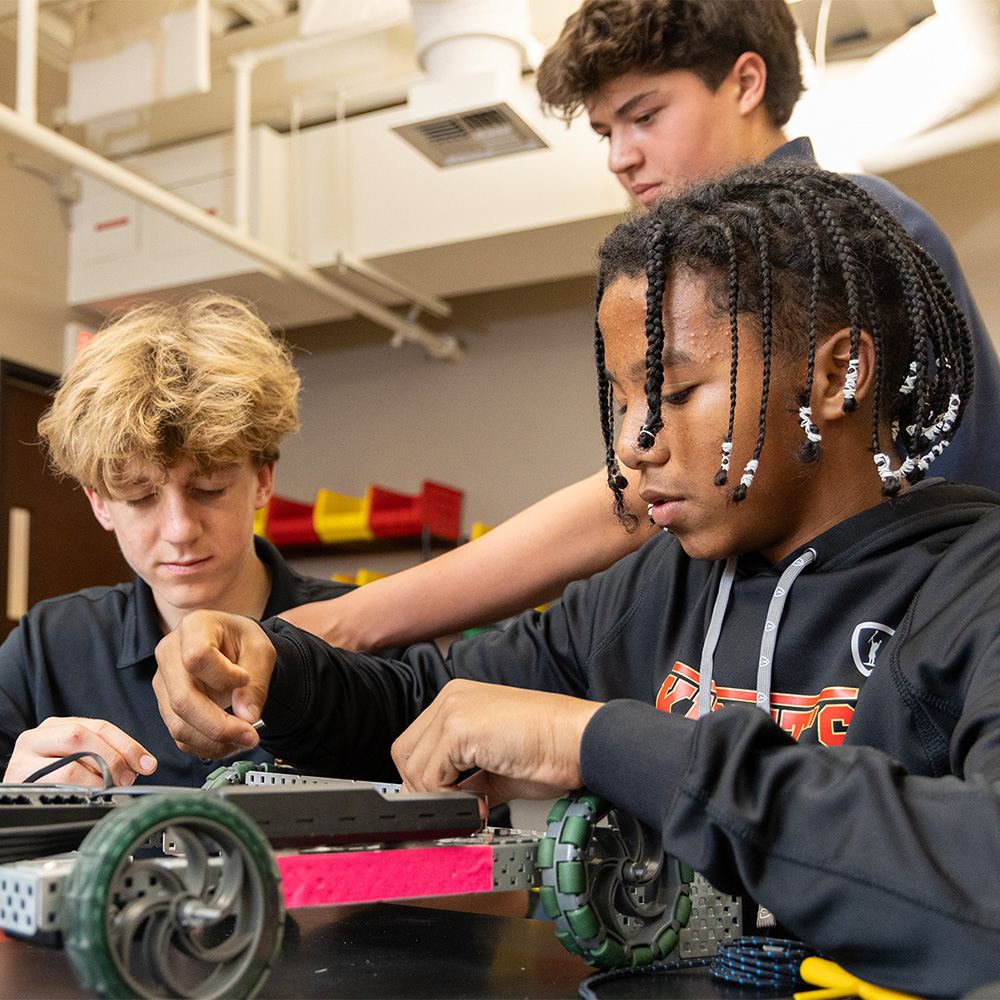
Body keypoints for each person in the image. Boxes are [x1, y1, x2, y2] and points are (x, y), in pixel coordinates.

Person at [152, 165, 1000, 995]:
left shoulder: (975, 581)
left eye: (675, 392)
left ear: (837, 374)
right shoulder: (656, 585)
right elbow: (432, 711)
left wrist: (593, 739)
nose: (634, 443)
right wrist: (279, 671)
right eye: (624, 401)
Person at [278, 0, 1000, 654]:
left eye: (645, 116)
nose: (619, 157)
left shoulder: (862, 238)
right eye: (605, 131)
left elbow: (622, 502)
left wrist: (356, 618)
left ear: (747, 84)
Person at [0, 295, 363, 788]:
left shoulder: (368, 639)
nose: (179, 529)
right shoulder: (47, 648)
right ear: (99, 503)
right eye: (140, 497)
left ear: (262, 480)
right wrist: (13, 799)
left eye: (209, 489)